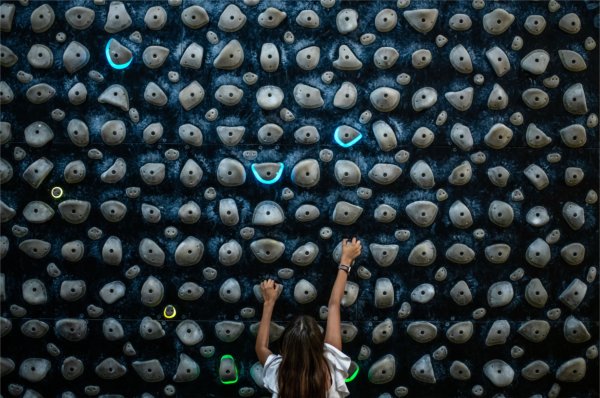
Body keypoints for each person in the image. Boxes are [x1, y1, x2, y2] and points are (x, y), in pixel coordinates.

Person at [255, 237, 363, 398]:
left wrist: (269, 302)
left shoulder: (278, 374)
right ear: (320, 346)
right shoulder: (331, 365)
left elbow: (261, 348)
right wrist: (346, 260)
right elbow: (333, 305)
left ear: (285, 348)